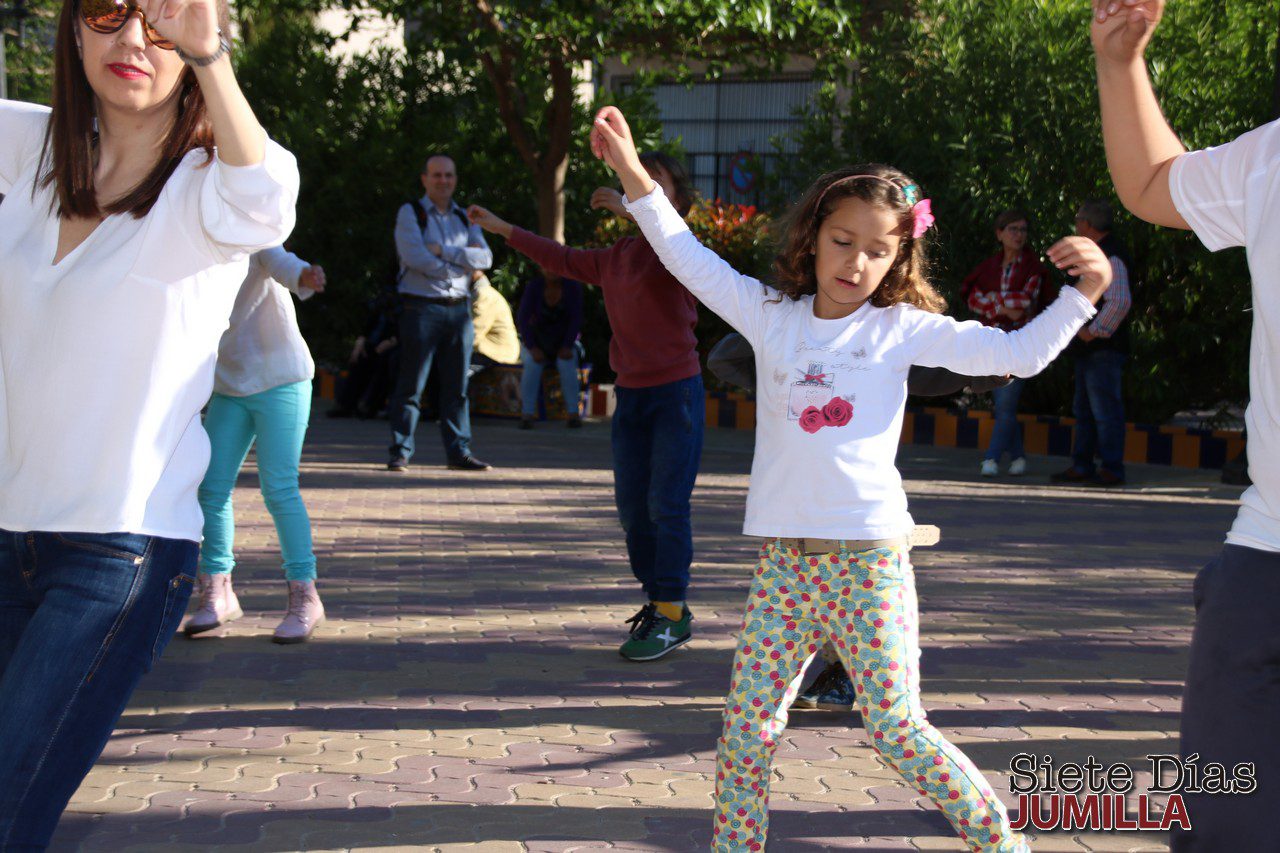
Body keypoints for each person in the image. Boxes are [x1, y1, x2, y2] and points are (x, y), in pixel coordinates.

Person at [590, 104, 1113, 852]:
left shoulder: (898, 330)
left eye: (876, 250)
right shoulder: (771, 315)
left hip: (869, 566)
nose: (856, 262)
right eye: (842, 240)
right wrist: (636, 176)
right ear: (813, 237)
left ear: (897, 259)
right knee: (746, 727)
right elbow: (687, 256)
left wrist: (1081, 295)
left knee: (896, 728)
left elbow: (1021, 354)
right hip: (784, 569)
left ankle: (1002, 843)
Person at [0, 0, 298, 844]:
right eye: (107, 11)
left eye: (165, 22)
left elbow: (269, 198)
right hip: (9, 537)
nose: (133, 39)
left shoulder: (208, 195)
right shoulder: (30, 155)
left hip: (117, 556)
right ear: (72, 28)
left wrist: (212, 57)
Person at [1092, 2, 1279, 848]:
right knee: (1226, 815)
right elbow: (1150, 182)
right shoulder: (1272, 155)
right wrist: (1120, 62)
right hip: (1269, 549)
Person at [467, 152, 704, 663]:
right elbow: (558, 257)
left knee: (667, 505)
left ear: (675, 202)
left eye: (649, 186)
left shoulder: (683, 251)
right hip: (633, 397)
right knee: (632, 512)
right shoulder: (616, 256)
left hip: (676, 394)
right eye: (629, 182)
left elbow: (670, 239)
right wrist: (499, 226)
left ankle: (671, 608)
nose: (634, 191)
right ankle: (660, 603)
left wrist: (631, 207)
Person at [185, 247, 326, 644]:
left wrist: (305, 276)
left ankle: (305, 596)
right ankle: (218, 591)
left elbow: (282, 263)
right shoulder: (193, 248)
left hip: (282, 377)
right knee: (209, 489)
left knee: (278, 489)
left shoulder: (254, 239)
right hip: (230, 385)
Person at [387, 154, 493, 473]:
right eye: (436, 175)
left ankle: (458, 452)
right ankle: (400, 450)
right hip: (421, 308)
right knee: (411, 383)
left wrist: (445, 252)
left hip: (459, 311)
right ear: (424, 179)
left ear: (455, 179)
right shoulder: (411, 213)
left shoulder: (465, 216)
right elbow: (414, 256)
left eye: (448, 175)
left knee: (457, 386)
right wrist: (457, 267)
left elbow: (485, 258)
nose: (443, 180)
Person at [1050, 199, 1134, 486]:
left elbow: (1120, 301)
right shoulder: (1101, 253)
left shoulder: (1110, 255)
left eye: (1078, 221)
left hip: (1103, 349)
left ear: (1087, 224)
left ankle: (1111, 468)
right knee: (1085, 410)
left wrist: (1092, 331)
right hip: (1092, 350)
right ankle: (1083, 464)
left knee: (1104, 411)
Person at [961, 210, 1049, 477]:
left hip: (1019, 341)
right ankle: (1019, 457)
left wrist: (994, 302)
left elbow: (1023, 304)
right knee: (1003, 403)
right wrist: (1002, 304)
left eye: (1022, 230)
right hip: (991, 341)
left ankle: (991, 458)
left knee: (1005, 402)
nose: (1018, 235)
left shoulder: (1034, 267)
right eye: (1012, 229)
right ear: (1000, 233)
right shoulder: (988, 267)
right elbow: (972, 297)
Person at [516, 272, 585, 429]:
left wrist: (567, 345)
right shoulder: (534, 286)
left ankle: (573, 414)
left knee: (567, 363)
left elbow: (576, 320)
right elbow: (523, 319)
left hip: (565, 342)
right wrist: (532, 347)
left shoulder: (572, 287)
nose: (551, 269)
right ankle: (527, 414)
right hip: (537, 341)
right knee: (532, 364)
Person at [329, 286, 399, 419]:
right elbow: (367, 327)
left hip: (391, 344)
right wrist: (359, 343)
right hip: (373, 344)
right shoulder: (379, 307)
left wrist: (391, 341)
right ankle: (347, 404)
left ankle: (369, 405)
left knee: (385, 362)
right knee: (359, 359)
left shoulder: (403, 306)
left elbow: (401, 330)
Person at [469, 269, 521, 371]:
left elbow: (473, 335)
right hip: (485, 353)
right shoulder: (477, 293)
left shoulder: (483, 294)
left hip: (496, 355)